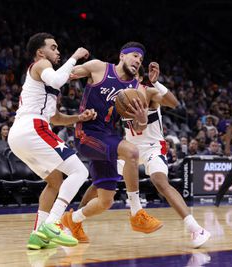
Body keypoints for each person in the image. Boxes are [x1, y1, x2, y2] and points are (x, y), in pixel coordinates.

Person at [64, 63, 210, 248]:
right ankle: (74, 222)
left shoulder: (149, 92)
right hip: (129, 148)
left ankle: (194, 228)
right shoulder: (120, 97)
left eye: (133, 79)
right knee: (99, 184)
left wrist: (157, 83)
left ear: (140, 79)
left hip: (152, 147)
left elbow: (173, 103)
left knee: (160, 182)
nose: (128, 82)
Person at [60, 43, 166, 244]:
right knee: (131, 152)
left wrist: (142, 117)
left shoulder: (136, 89)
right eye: (135, 56)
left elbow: (139, 127)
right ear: (122, 56)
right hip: (87, 133)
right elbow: (63, 76)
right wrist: (71, 62)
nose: (138, 61)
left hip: (108, 137)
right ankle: (137, 213)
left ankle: (72, 220)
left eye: (141, 60)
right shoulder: (99, 67)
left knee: (105, 201)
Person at [7, 32, 96, 249]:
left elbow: (55, 118)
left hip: (20, 135)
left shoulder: (43, 81)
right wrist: (75, 56)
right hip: (32, 128)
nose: (57, 51)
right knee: (80, 171)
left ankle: (38, 234)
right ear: (40, 52)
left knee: (55, 181)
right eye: (53, 47)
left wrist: (78, 118)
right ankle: (53, 222)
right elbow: (58, 79)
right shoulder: (41, 64)